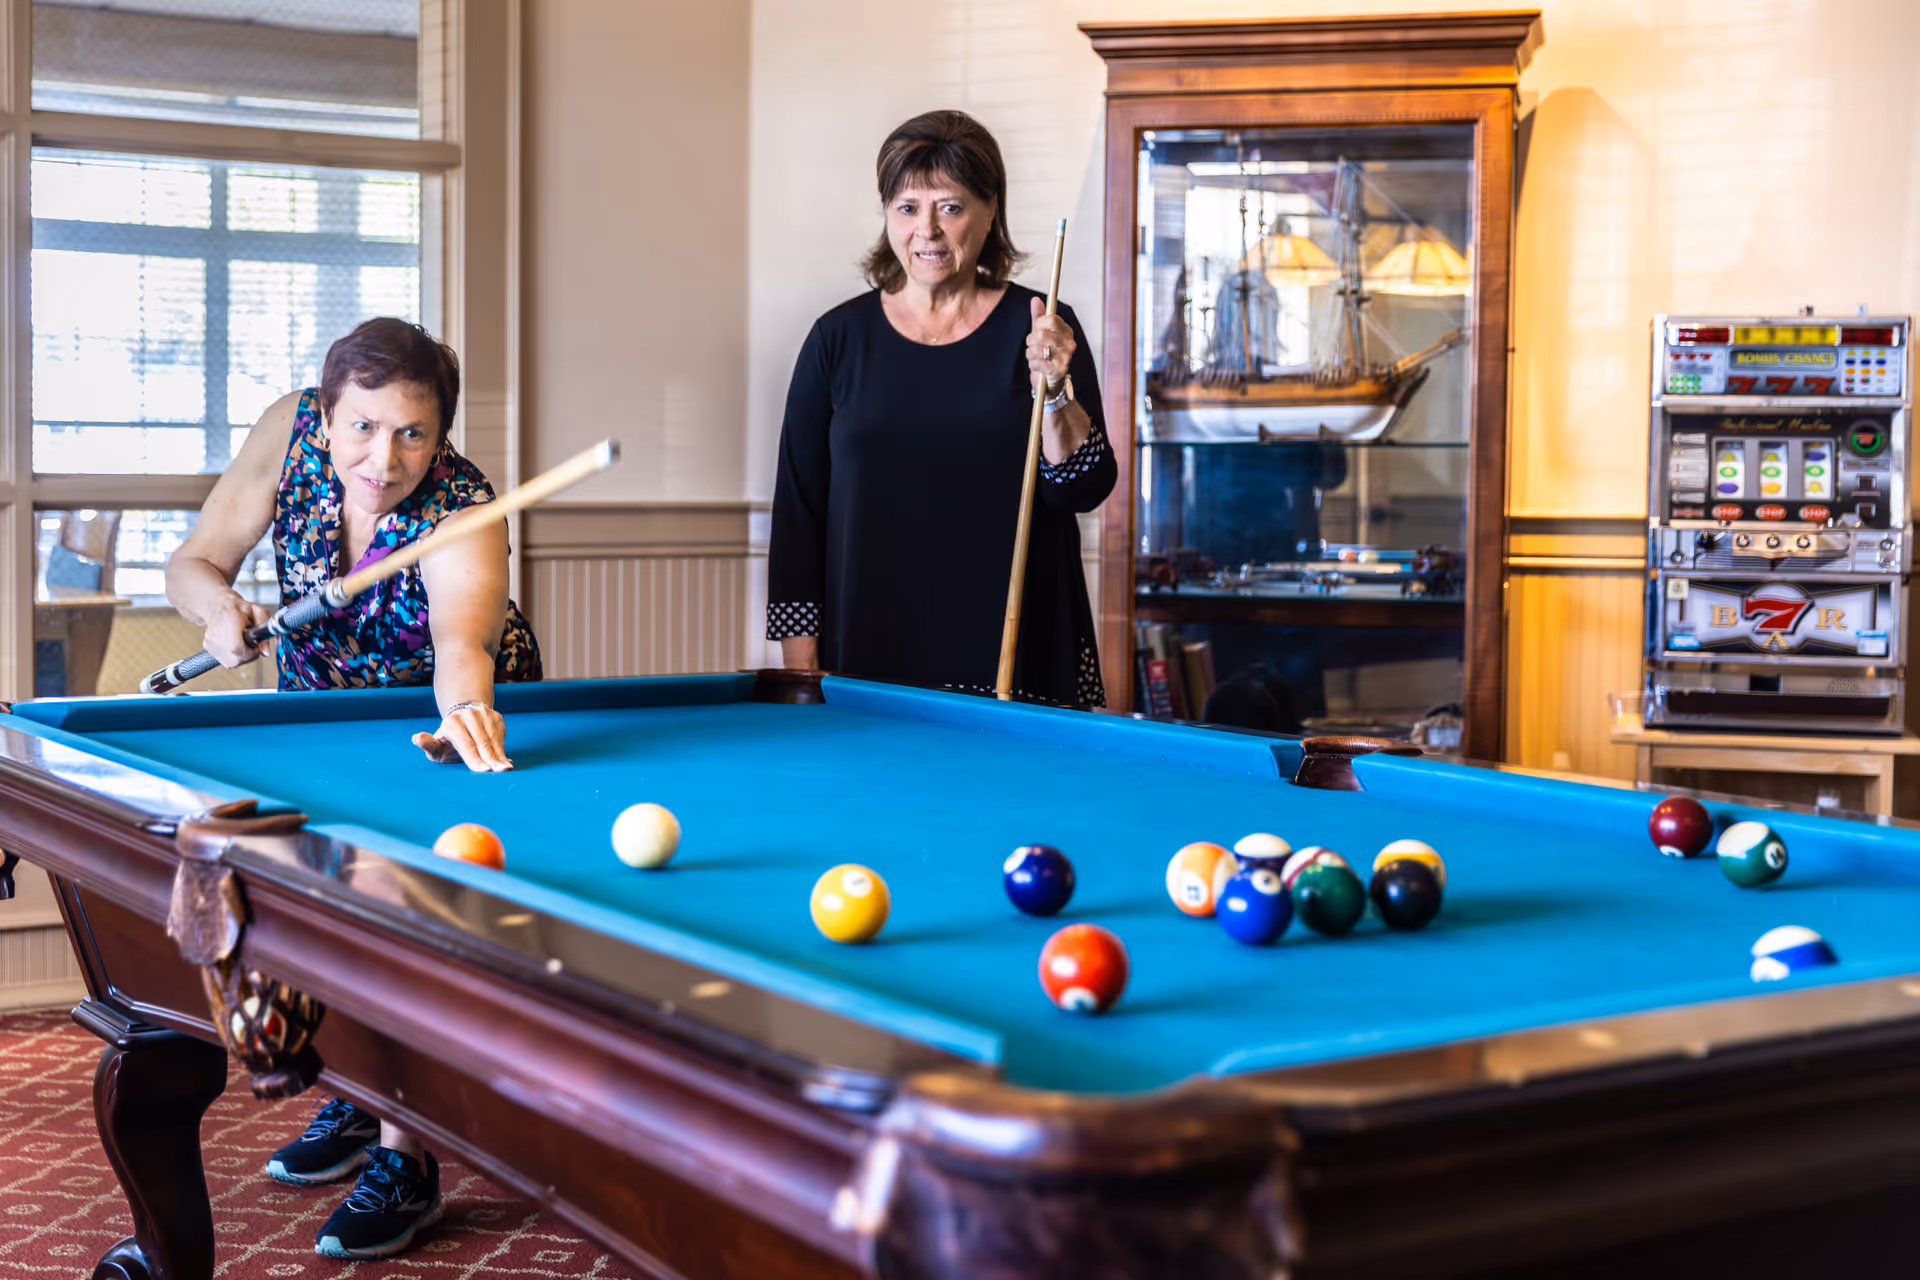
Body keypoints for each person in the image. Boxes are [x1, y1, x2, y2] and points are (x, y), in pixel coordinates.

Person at [165, 317, 542, 1260]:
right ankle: (357, 1098)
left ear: (442, 434)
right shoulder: (285, 432)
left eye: (414, 432)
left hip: (438, 726)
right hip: (319, 716)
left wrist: (466, 713)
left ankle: (407, 1157)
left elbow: (461, 645)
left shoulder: (464, 504)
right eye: (364, 428)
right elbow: (195, 560)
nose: (385, 457)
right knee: (324, 897)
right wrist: (221, 611)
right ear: (325, 415)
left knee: (400, 913)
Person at [767, 109, 1114, 707]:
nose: (926, 231)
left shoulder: (1040, 329)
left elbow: (1083, 488)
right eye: (907, 208)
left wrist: (1056, 392)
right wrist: (803, 672)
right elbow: (799, 516)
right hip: (870, 660)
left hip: (1018, 661)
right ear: (886, 216)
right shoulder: (836, 340)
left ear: (990, 211)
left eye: (949, 207)